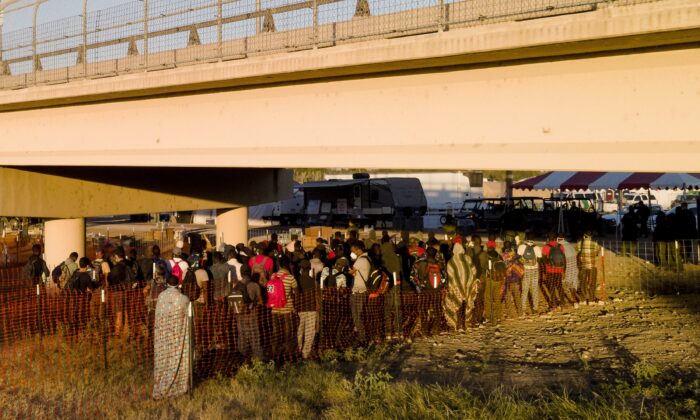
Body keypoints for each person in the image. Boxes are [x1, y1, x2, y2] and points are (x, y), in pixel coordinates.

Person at [152, 275, 192, 400]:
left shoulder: (161, 296)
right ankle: (176, 386)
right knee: (175, 358)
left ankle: (160, 386)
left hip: (162, 336)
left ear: (167, 284)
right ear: (178, 284)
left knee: (163, 360)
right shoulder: (184, 299)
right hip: (176, 336)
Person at [268, 255, 298, 361]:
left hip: (274, 309)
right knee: (288, 331)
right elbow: (296, 291)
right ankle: (288, 353)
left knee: (276, 332)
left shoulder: (273, 276)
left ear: (279, 265)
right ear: (288, 265)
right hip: (287, 308)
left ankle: (275, 352)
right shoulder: (290, 277)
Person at [444, 242, 477, 331]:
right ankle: (466, 323)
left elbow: (450, 274)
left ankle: (458, 324)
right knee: (466, 304)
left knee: (457, 304)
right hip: (468, 286)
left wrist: (451, 285)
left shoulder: (451, 261)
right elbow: (474, 271)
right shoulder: (468, 258)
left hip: (456, 287)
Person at [234, 266, 263, 360]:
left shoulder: (236, 285)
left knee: (242, 337)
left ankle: (242, 360)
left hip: (240, 315)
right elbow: (260, 302)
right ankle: (258, 360)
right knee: (254, 338)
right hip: (252, 315)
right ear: (250, 273)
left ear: (241, 273)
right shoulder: (255, 285)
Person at [348, 241, 370, 345]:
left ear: (358, 249)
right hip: (362, 290)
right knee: (359, 315)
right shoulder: (367, 259)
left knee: (357, 316)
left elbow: (351, 272)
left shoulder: (360, 260)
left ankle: (362, 338)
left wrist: (345, 269)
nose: (353, 252)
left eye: (353, 250)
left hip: (358, 291)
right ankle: (361, 337)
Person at [296, 259, 317, 359]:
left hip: (300, 309)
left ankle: (298, 350)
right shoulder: (313, 281)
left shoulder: (297, 280)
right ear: (309, 269)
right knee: (309, 333)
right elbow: (317, 296)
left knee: (299, 331)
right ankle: (305, 353)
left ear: (301, 269)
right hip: (311, 309)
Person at [542, 234, 567, 311]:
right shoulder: (561, 246)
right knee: (559, 286)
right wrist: (564, 270)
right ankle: (562, 303)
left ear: (548, 239)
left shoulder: (546, 247)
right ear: (556, 239)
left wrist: (544, 271)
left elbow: (544, 260)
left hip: (550, 270)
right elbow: (564, 258)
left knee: (552, 287)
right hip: (559, 270)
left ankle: (554, 305)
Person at [517, 238, 542, 315]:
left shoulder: (522, 246)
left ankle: (523, 308)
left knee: (524, 290)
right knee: (534, 289)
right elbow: (540, 258)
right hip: (534, 269)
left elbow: (518, 256)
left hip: (525, 270)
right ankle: (535, 308)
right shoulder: (537, 247)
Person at [500, 241, 524, 318]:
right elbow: (521, 266)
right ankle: (520, 313)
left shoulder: (503, 256)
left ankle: (510, 314)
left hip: (507, 279)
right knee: (517, 295)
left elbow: (502, 267)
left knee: (507, 297)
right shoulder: (516, 255)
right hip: (516, 278)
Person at [577, 232, 601, 305]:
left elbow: (579, 251)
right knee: (592, 283)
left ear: (584, 235)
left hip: (582, 266)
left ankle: (583, 300)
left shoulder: (579, 243)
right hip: (592, 266)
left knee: (582, 283)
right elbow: (597, 252)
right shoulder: (595, 243)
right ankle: (591, 300)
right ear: (591, 236)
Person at [558, 236, 580, 308]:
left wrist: (562, 271)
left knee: (567, 283)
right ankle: (575, 297)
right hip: (574, 265)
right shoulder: (569, 244)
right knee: (572, 282)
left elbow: (562, 259)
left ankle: (574, 300)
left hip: (567, 265)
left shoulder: (559, 246)